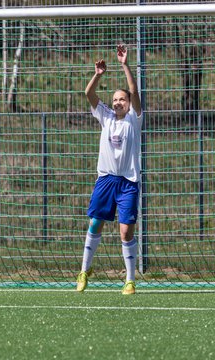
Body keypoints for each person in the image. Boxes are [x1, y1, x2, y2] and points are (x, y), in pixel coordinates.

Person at [76, 44, 143, 295]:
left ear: (128, 103)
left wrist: (125, 64)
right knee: (95, 224)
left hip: (128, 182)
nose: (117, 102)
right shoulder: (104, 115)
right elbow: (88, 93)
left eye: (121, 99)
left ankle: (129, 280)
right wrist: (98, 75)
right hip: (106, 180)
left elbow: (134, 91)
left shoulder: (134, 119)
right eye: (115, 99)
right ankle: (84, 271)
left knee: (125, 231)